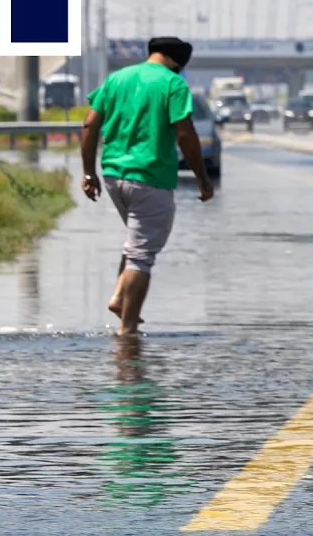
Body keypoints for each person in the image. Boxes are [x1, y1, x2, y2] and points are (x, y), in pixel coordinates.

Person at [80, 36, 214, 336]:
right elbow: (185, 134)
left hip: (114, 177)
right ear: (178, 63)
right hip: (150, 179)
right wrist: (203, 179)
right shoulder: (173, 84)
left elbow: (89, 125)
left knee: (135, 243)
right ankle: (128, 331)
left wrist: (89, 173)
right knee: (141, 256)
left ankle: (119, 297)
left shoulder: (116, 79)